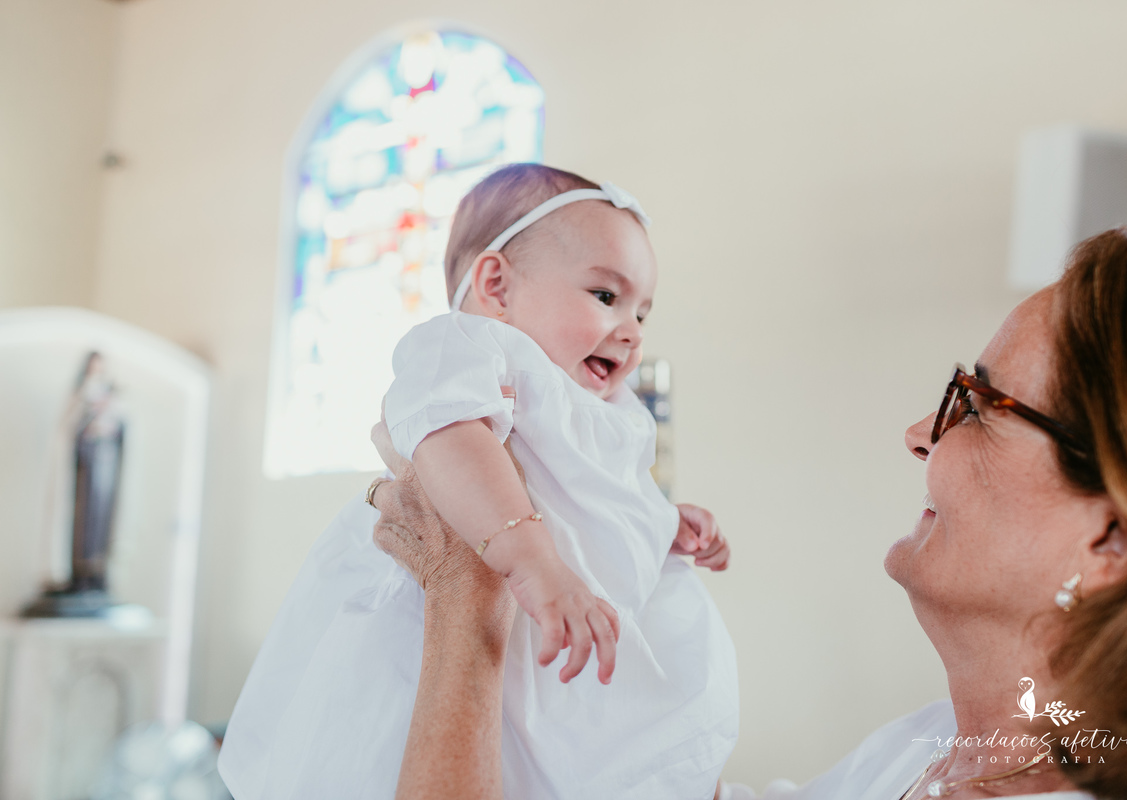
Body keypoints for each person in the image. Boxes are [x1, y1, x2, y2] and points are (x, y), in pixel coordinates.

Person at [367, 227, 1127, 800]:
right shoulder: (933, 750)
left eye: (976, 405)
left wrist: (467, 596)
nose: (920, 436)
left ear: (1113, 536)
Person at [218, 165, 738, 800]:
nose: (630, 331)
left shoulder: (608, 408)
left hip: (543, 635)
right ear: (496, 284)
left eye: (642, 312)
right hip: (442, 618)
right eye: (606, 297)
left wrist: (661, 523)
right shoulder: (469, 346)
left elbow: (598, 500)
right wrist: (529, 556)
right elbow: (446, 437)